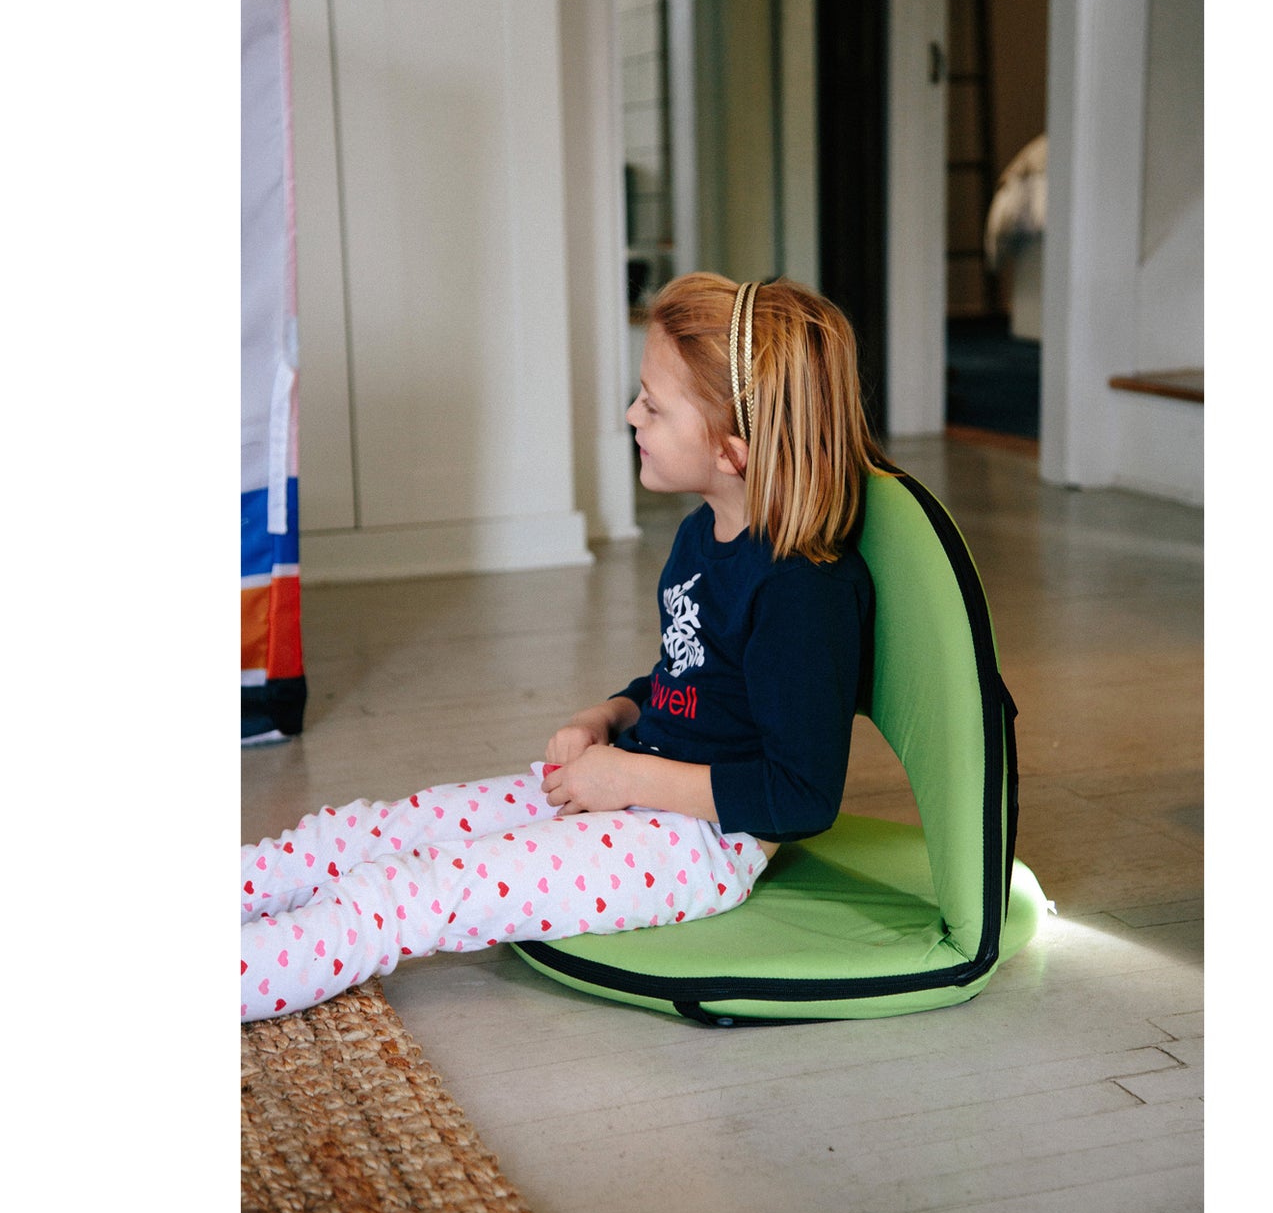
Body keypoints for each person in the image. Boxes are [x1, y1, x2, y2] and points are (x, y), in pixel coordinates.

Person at [241, 274, 883, 1021]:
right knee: (369, 830)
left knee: (405, 892)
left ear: (731, 452)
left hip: (700, 843)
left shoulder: (801, 590)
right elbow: (695, 677)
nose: (631, 414)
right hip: (631, 779)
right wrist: (609, 715)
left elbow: (801, 795)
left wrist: (629, 777)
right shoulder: (702, 534)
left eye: (653, 405)